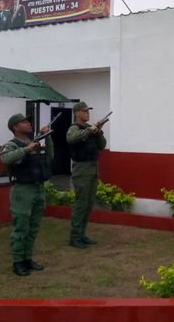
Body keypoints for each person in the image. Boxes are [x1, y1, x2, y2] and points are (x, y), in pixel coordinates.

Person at [0, 114, 54, 276]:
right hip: (22, 190)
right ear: (15, 127)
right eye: (24, 122)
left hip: (38, 188)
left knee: (33, 227)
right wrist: (26, 149)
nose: (28, 123)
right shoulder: (11, 145)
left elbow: (50, 157)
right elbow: (5, 158)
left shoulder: (35, 142)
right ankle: (18, 262)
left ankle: (27, 258)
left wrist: (48, 137)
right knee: (21, 227)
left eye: (28, 121)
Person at [67, 102, 107, 249]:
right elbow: (71, 139)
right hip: (81, 170)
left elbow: (102, 146)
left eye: (88, 111)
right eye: (84, 111)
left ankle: (82, 234)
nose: (87, 113)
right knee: (80, 205)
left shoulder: (90, 129)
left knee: (89, 204)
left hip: (92, 169)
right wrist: (90, 131)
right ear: (77, 113)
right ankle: (75, 237)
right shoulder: (74, 128)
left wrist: (99, 132)